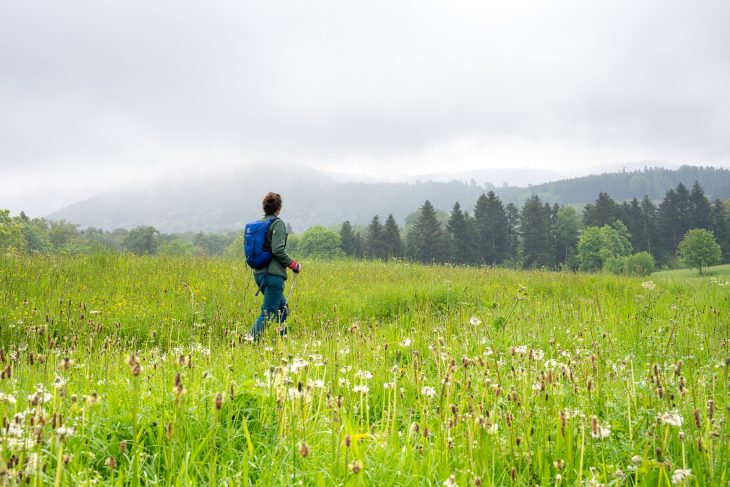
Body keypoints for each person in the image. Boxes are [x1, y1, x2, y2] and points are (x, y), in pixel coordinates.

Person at [248, 192, 301, 341]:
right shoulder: (277, 223)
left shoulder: (259, 224)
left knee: (282, 311)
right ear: (279, 207)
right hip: (273, 276)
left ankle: (282, 340)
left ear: (265, 207)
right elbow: (278, 249)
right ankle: (248, 340)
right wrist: (293, 264)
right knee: (269, 313)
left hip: (259, 274)